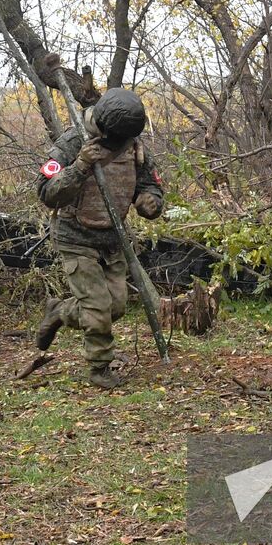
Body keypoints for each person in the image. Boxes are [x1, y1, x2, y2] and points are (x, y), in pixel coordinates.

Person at [32, 88, 165, 389]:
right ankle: (99, 366)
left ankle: (58, 312)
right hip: (74, 237)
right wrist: (79, 167)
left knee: (115, 307)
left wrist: (149, 202)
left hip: (113, 240)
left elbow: (151, 186)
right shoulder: (73, 142)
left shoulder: (134, 145)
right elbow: (46, 193)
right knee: (96, 310)